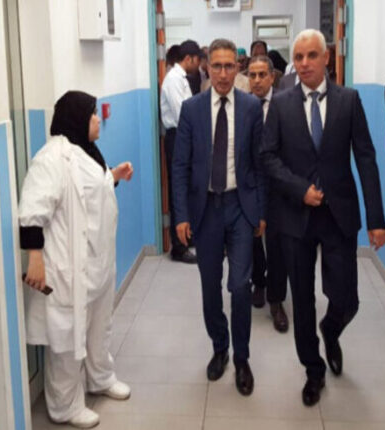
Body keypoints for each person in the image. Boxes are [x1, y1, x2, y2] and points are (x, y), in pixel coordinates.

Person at [260, 29, 385, 407]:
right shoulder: (281, 104)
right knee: (302, 298)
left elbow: (365, 158)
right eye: (298, 57)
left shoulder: (349, 101)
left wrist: (376, 218)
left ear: (326, 57)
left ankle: (331, 330)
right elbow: (268, 157)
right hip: (295, 216)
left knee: (347, 298)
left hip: (338, 214)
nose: (304, 64)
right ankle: (313, 370)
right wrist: (299, 189)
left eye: (311, 55)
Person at [19, 91, 133, 428]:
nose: (97, 119)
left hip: (98, 262)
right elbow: (32, 212)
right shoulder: (52, 159)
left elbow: (89, 191)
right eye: (92, 114)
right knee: (67, 337)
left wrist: (113, 176)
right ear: (77, 118)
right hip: (68, 266)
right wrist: (35, 258)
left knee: (99, 326)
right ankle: (64, 406)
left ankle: (100, 377)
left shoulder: (87, 151)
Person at [172, 38, 266, 397]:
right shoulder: (191, 109)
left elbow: (259, 164)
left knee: (240, 286)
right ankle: (220, 347)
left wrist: (260, 211)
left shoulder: (251, 107)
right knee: (210, 285)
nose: (224, 74)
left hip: (240, 207)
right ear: (206, 67)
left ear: (237, 68)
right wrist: (181, 214)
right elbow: (180, 166)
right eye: (217, 66)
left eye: (230, 66)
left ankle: (242, 357)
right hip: (205, 209)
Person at [246, 55, 288, 333]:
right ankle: (258, 282)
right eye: (252, 75)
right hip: (249, 184)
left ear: (272, 77)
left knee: (277, 244)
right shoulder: (242, 105)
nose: (258, 80)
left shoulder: (285, 104)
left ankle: (276, 300)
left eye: (263, 75)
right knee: (252, 240)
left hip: (278, 185)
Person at [160, 40, 200, 264]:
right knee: (178, 188)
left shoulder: (182, 78)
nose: (198, 65)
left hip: (185, 136)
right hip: (177, 138)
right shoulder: (174, 80)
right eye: (197, 60)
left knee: (187, 188)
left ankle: (187, 236)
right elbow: (181, 114)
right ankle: (178, 247)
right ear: (188, 59)